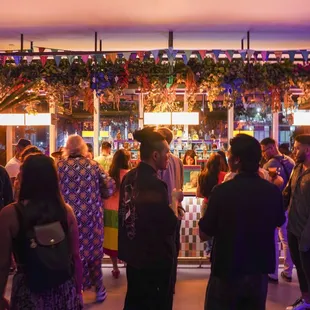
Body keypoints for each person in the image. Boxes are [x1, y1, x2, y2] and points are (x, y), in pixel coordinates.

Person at [199, 134, 285, 310]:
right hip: (258, 270)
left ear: (236, 160)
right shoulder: (271, 191)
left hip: (226, 268)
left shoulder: (221, 192)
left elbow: (204, 233)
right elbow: (279, 220)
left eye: (229, 155)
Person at [0, 154, 83, 310]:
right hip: (64, 288)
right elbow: (75, 256)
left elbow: (3, 264)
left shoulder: (10, 214)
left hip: (29, 290)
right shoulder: (66, 211)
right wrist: (78, 291)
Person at [118, 127, 182, 310]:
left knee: (135, 300)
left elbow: (125, 215)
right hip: (155, 258)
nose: (169, 157)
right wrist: (175, 201)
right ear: (155, 155)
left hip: (133, 254)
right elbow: (169, 224)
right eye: (167, 153)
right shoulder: (155, 184)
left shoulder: (129, 178)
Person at [58, 135, 115, 303]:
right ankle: (98, 289)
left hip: (67, 218)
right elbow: (109, 187)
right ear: (84, 149)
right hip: (92, 217)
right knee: (94, 255)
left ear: (67, 149)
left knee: (72, 255)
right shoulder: (93, 165)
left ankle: (77, 292)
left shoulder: (60, 167)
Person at [261, 137, 294, 283]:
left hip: (274, 206)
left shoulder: (270, 164)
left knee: (272, 239)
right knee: (286, 240)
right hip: (288, 206)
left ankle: (273, 273)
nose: (263, 154)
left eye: (264, 150)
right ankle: (288, 272)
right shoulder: (291, 162)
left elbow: (268, 187)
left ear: (272, 148)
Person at [157, 127, 184, 293]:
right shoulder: (178, 161)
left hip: (164, 210)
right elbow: (180, 185)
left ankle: (164, 282)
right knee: (174, 244)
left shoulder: (160, 161)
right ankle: (171, 280)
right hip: (176, 208)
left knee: (164, 247)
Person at [285, 135, 310, 310]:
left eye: (297, 147)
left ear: (307, 150)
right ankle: (306, 299)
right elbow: (288, 193)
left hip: (306, 230)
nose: (294, 150)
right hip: (293, 226)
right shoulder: (297, 168)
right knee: (300, 268)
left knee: (308, 268)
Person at [104, 149, 130, 279]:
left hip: (109, 210)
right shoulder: (130, 175)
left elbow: (105, 193)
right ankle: (126, 262)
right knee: (124, 237)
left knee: (111, 239)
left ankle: (115, 268)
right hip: (124, 210)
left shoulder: (109, 176)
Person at [197, 153, 226, 256]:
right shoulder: (224, 175)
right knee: (218, 229)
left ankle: (209, 250)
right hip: (220, 205)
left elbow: (199, 194)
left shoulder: (202, 175)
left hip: (206, 204)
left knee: (207, 229)